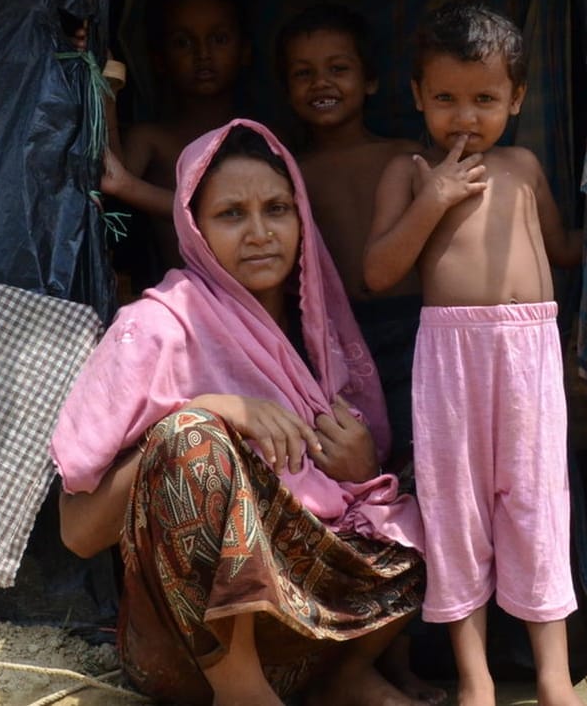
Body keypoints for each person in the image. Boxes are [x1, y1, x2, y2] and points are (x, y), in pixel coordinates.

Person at [52, 120, 427, 706]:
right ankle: (243, 691)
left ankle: (344, 676)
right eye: (231, 215)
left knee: (442, 482)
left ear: (302, 219)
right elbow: (76, 532)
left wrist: (360, 470)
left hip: (313, 638)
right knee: (190, 439)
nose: (260, 233)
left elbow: (359, 505)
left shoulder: (320, 341)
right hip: (186, 652)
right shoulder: (156, 331)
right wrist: (210, 409)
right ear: (193, 228)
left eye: (277, 208)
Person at [364, 2, 584, 706]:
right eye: (446, 99)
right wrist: (431, 199)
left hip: (528, 351)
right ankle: (475, 680)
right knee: (455, 510)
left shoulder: (523, 166)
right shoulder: (408, 171)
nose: (464, 117)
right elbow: (377, 272)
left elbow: (562, 250)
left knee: (534, 500)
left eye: (484, 99)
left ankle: (552, 677)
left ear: (515, 99)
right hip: (450, 361)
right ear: (416, 98)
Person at [277, 4, 444, 705]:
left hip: (411, 336)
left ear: (372, 80)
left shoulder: (402, 160)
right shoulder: (286, 171)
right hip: (330, 350)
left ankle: (409, 657)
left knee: (422, 487)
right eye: (303, 73)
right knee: (364, 501)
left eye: (338, 69)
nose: (322, 83)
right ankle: (376, 659)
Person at [99, 0, 253, 284]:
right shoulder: (151, 139)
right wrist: (108, 95)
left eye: (219, 38)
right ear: (159, 60)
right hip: (183, 308)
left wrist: (130, 187)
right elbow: (111, 178)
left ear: (245, 51)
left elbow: (122, 183)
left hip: (258, 303)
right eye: (183, 42)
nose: (203, 53)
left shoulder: (260, 137)